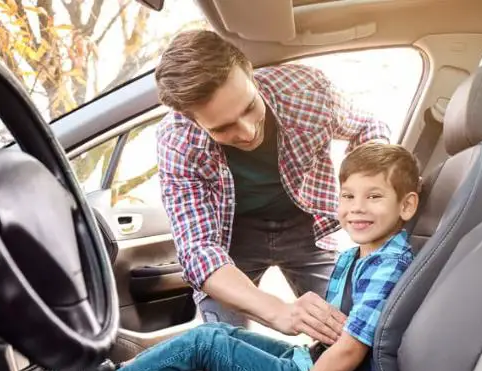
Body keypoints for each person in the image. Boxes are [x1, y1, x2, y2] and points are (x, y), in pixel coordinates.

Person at [113, 143, 420, 371]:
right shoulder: (357, 256)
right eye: (348, 196)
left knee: (205, 343)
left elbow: (350, 350)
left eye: (374, 196)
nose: (357, 208)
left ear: (406, 205)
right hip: (312, 361)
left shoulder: (387, 266)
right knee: (218, 333)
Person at [155, 29, 392, 344]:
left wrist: (360, 194)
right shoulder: (177, 141)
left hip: (307, 229)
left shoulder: (307, 91)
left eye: (249, 107)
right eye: (223, 127)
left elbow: (369, 128)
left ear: (250, 74)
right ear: (191, 120)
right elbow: (198, 251)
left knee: (355, 331)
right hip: (231, 242)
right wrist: (279, 312)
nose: (247, 132)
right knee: (224, 345)